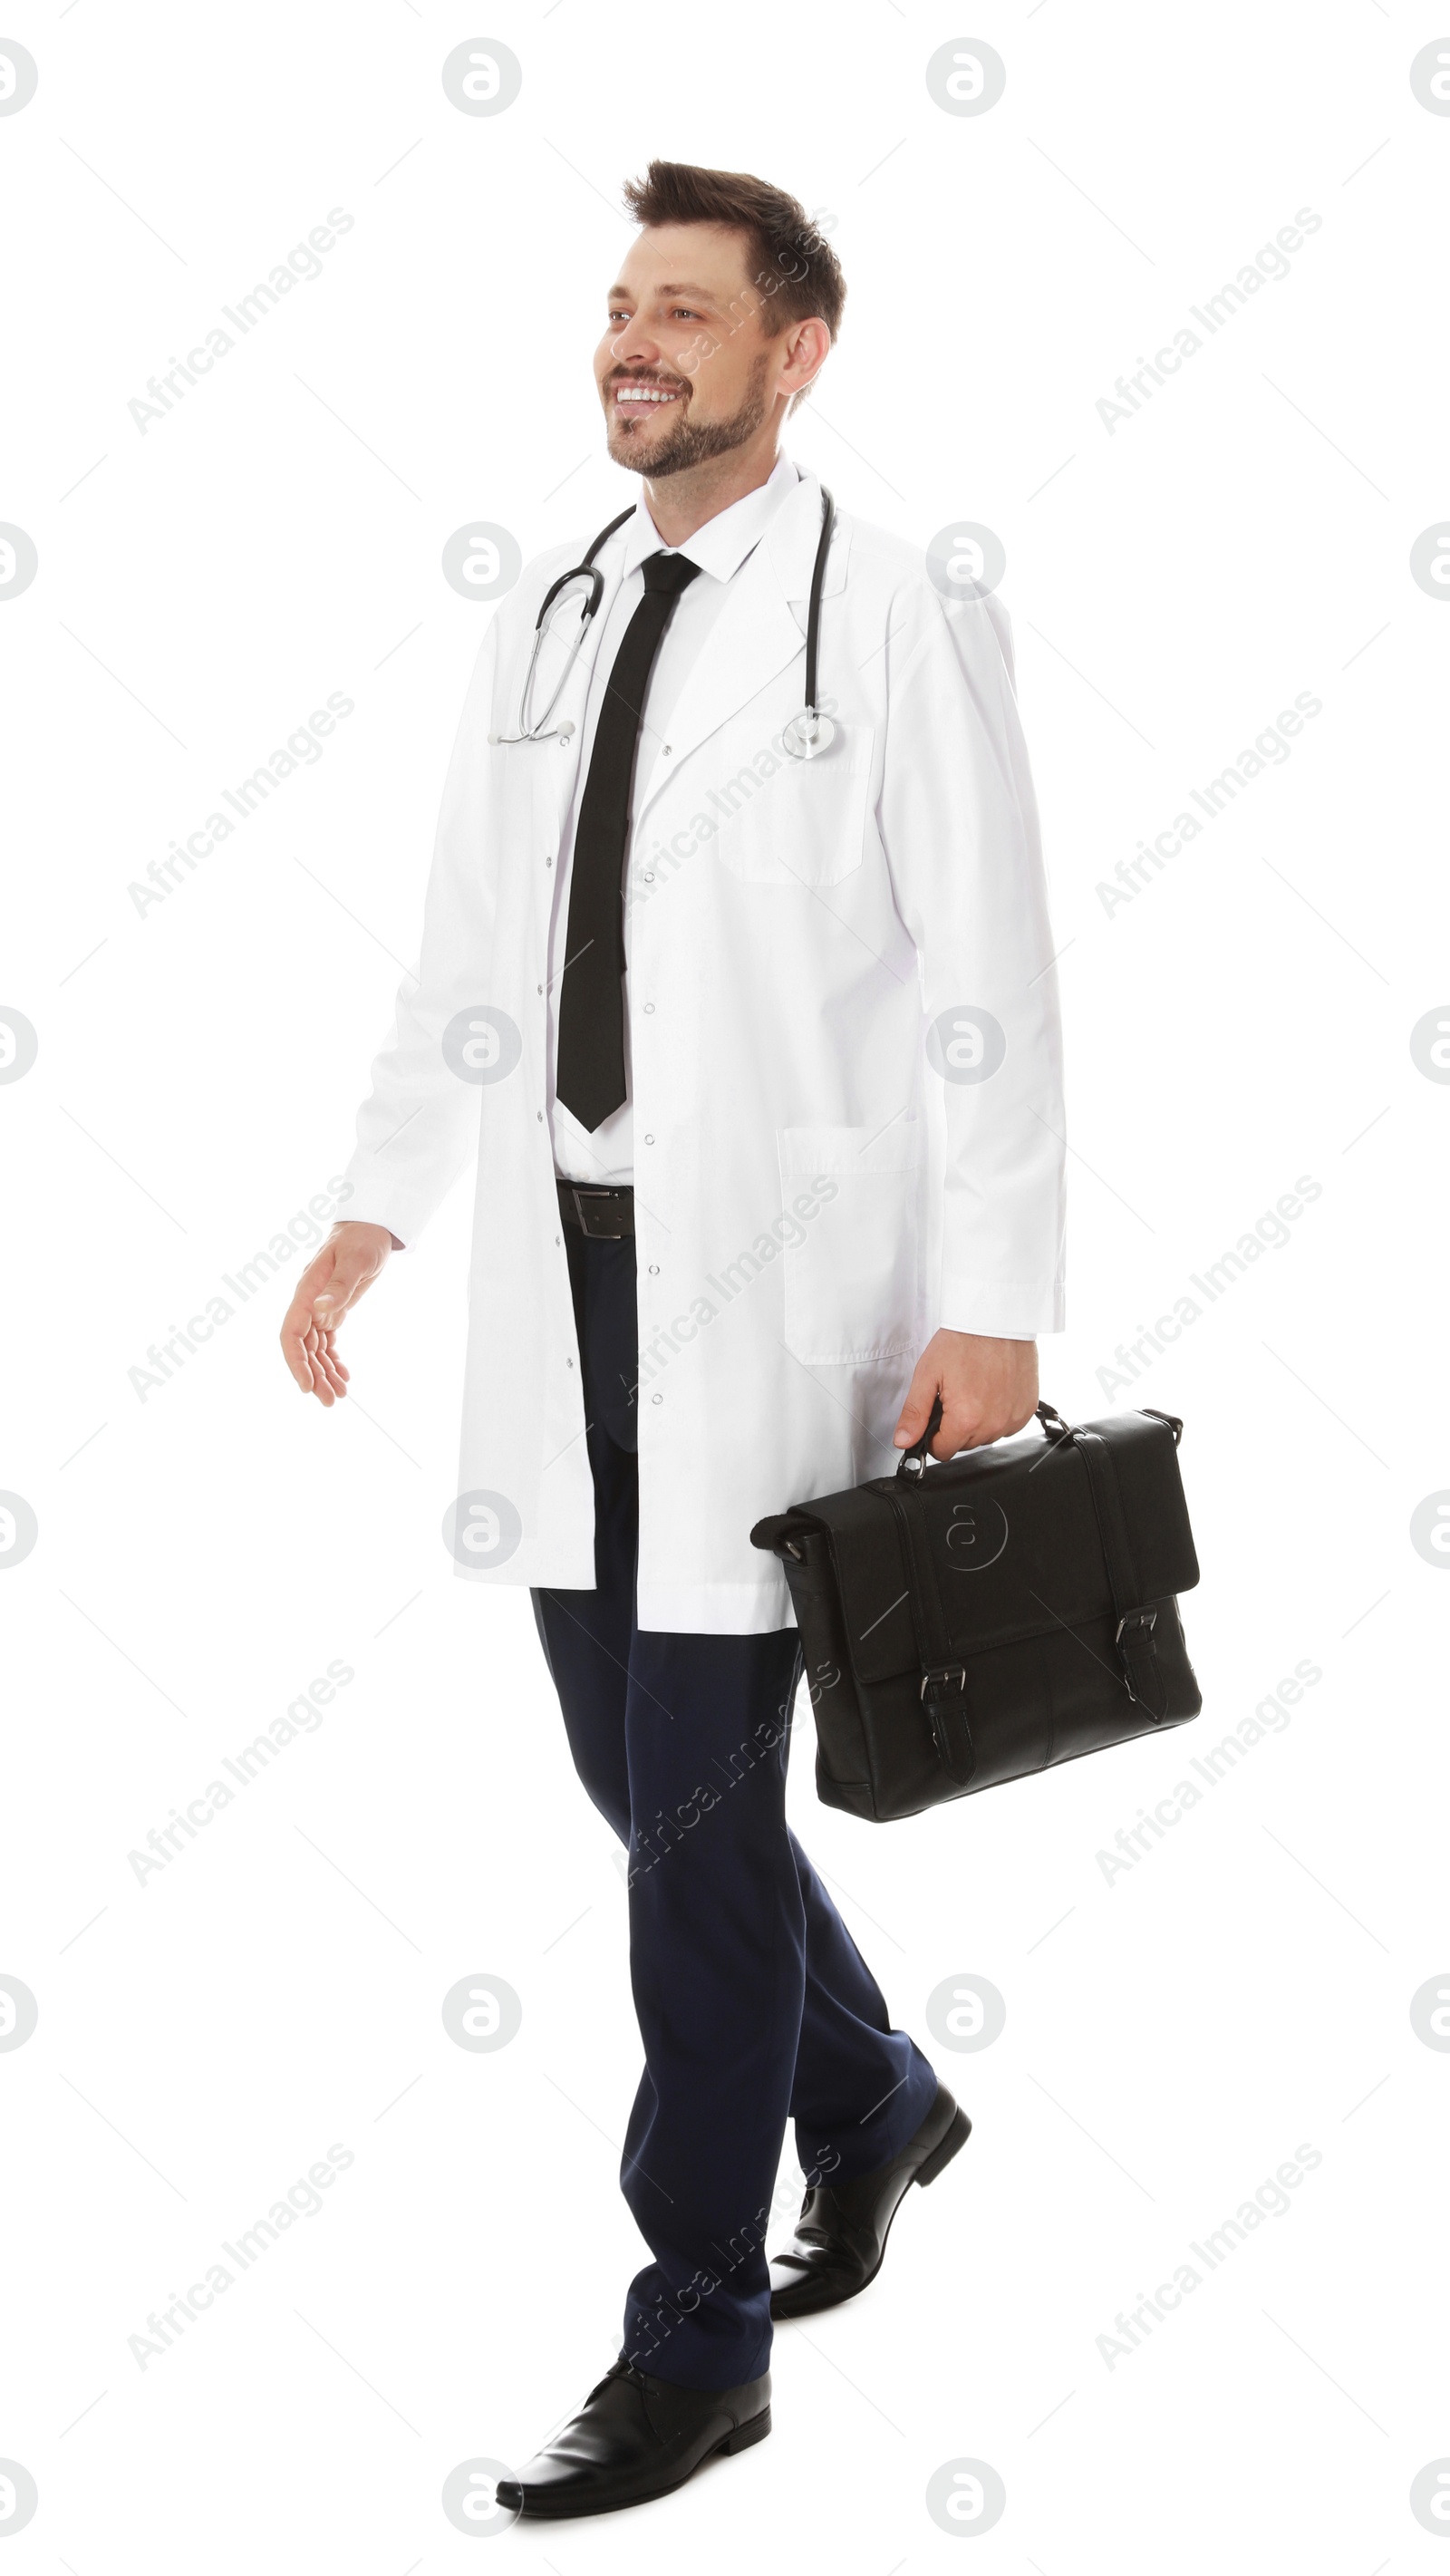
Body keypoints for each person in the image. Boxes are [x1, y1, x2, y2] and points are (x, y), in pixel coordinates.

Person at [281, 158, 1065, 2520]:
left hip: (781, 1294)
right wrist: (365, 1213)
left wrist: (1001, 1302)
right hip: (566, 1283)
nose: (634, 342)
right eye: (618, 307)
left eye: (686, 312)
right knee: (642, 1773)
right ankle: (875, 2089)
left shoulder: (895, 604)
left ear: (795, 349)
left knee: (696, 1825)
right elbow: (462, 956)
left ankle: (695, 2332)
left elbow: (1000, 962)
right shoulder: (549, 607)